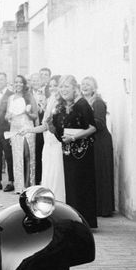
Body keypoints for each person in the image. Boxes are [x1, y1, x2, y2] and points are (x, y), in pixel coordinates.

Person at [51, 75, 98, 228]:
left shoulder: (82, 104)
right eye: (61, 87)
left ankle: (85, 221)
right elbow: (58, 128)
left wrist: (74, 137)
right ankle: (74, 219)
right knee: (70, 185)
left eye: (67, 87)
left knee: (82, 184)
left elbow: (92, 128)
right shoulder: (60, 105)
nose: (63, 90)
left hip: (82, 152)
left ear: (74, 88)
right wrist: (54, 128)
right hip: (68, 151)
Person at [20, 74, 66, 201]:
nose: (52, 88)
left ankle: (59, 200)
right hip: (48, 142)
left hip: (56, 142)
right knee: (48, 172)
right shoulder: (51, 99)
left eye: (55, 86)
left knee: (56, 173)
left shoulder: (62, 103)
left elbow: (48, 125)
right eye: (50, 86)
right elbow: (44, 125)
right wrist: (29, 130)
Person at [81, 76, 115, 217]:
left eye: (88, 84)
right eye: (83, 84)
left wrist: (81, 124)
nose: (85, 86)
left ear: (94, 87)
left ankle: (104, 208)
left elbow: (99, 123)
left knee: (102, 173)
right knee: (94, 174)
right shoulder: (85, 102)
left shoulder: (98, 102)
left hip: (101, 142)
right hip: (93, 140)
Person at [6, 75, 38, 194]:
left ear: (24, 84)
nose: (18, 84)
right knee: (17, 157)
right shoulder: (11, 98)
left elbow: (35, 115)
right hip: (15, 129)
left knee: (27, 154)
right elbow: (8, 115)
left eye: (20, 82)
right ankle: (19, 186)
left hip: (27, 128)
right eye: (16, 82)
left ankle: (29, 184)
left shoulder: (29, 96)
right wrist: (8, 117)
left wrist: (27, 113)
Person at [29, 72, 46, 184]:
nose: (35, 82)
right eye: (33, 80)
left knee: (39, 152)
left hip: (41, 125)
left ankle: (38, 178)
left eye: (37, 80)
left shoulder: (45, 94)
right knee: (30, 153)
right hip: (29, 124)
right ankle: (30, 179)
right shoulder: (27, 94)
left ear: (41, 82)